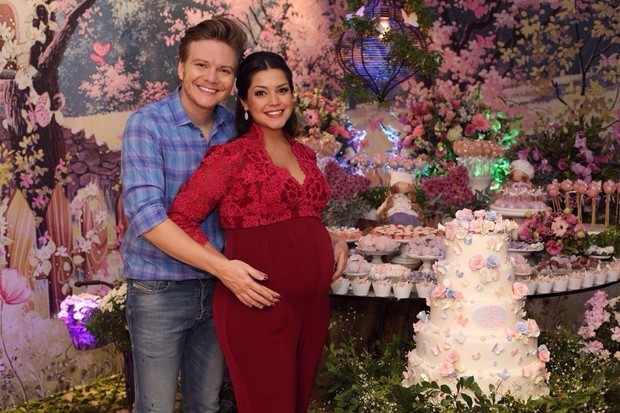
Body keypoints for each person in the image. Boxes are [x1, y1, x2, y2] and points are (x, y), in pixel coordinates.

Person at [122, 19, 301, 413]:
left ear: (233, 80)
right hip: (160, 289)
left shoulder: (236, 129)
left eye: (224, 70)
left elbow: (272, 203)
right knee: (155, 408)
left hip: (222, 290)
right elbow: (146, 216)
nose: (211, 78)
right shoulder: (147, 125)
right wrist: (223, 268)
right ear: (181, 67)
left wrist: (328, 239)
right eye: (201, 65)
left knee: (205, 405)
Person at [168, 51, 346, 413]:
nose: (274, 101)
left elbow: (302, 216)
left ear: (293, 94)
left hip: (313, 306)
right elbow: (181, 217)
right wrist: (223, 268)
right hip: (258, 306)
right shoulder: (231, 157)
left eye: (282, 90)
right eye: (261, 93)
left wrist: (333, 239)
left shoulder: (305, 155)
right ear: (245, 102)